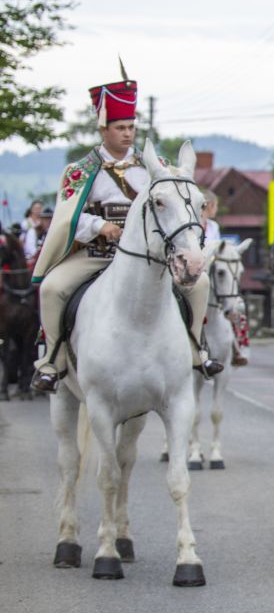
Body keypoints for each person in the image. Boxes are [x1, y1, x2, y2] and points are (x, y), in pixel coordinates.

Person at [30, 72, 221, 393]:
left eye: (131, 128)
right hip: (97, 254)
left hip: (149, 258)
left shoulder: (156, 166)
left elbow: (178, 205)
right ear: (103, 129)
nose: (128, 134)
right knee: (51, 288)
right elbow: (67, 216)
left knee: (199, 283)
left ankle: (195, 350)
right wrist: (99, 226)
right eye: (120, 128)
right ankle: (52, 361)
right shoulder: (80, 171)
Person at [201, 189, 252, 366]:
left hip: (214, 273)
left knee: (237, 304)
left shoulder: (213, 226)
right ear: (211, 205)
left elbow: (219, 250)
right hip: (197, 272)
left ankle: (237, 346)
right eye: (215, 206)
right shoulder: (193, 223)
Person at [20, 200, 46, 266]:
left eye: (39, 208)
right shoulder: (26, 223)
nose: (38, 210)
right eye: (36, 208)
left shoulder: (43, 222)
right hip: (28, 253)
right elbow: (22, 240)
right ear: (32, 210)